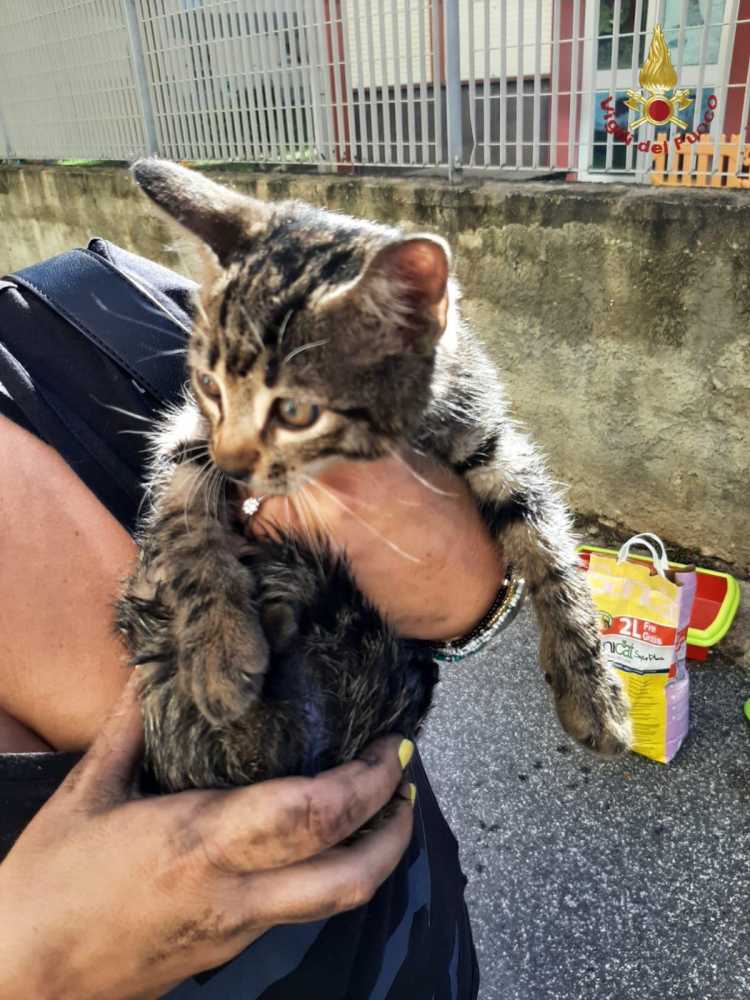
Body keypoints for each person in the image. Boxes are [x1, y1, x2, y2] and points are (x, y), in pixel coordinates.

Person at [0, 243, 506, 999]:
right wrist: (29, 965)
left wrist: (473, 597)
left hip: (426, 943)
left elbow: (462, 566)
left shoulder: (119, 305)